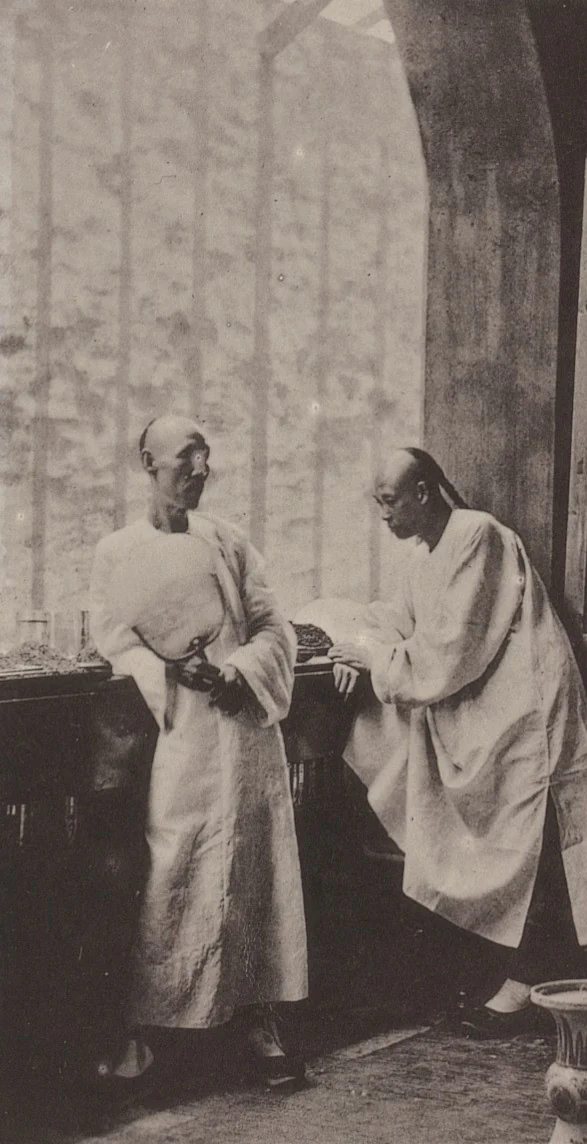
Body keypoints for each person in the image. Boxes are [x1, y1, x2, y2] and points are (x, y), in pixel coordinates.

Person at [328, 448, 587, 1038]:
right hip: (487, 707)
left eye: (390, 501)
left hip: (524, 711)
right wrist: (357, 640)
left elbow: (449, 649)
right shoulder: (426, 556)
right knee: (478, 838)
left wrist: (376, 659)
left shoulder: (478, 535)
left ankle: (531, 979)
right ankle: (511, 977)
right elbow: (400, 620)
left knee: (528, 840)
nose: (383, 515)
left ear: (426, 492)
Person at [89, 415, 308, 1092]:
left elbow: (274, 623)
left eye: (207, 460)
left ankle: (256, 1020)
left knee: (253, 868)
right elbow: (113, 636)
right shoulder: (118, 551)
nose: (199, 471)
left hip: (243, 730)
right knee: (175, 867)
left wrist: (238, 670)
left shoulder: (230, 542)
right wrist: (170, 674)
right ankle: (149, 1034)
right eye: (186, 459)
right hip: (181, 732)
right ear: (148, 462)